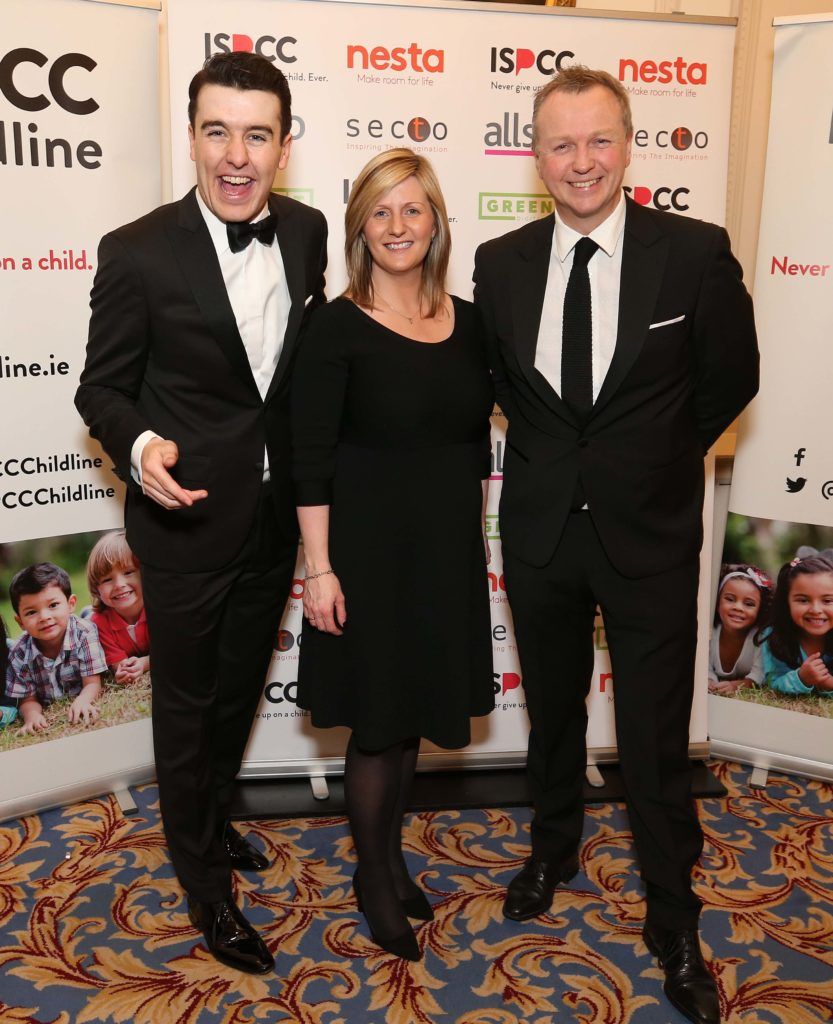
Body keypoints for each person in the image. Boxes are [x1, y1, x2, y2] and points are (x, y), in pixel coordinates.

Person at [473, 66, 759, 1024]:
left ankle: (671, 913)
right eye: (560, 144)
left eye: (598, 140)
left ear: (629, 143)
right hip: (544, 530)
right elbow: (502, 390)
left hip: (649, 532)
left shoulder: (693, 252)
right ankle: (551, 845)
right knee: (551, 709)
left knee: (650, 733)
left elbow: (731, 375)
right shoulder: (498, 261)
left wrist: (653, 459)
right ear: (535, 156)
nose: (580, 161)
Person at [75, 51, 328, 974]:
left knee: (231, 696)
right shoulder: (137, 250)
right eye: (216, 131)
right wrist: (142, 452)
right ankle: (204, 889)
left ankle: (212, 821)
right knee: (185, 708)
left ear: (283, 144)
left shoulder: (305, 235)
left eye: (256, 134)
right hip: (181, 524)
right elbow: (101, 391)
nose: (235, 155)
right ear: (191, 136)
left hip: (268, 525)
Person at [292, 148, 494, 962]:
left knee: (410, 714)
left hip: (443, 552)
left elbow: (474, 443)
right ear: (359, 227)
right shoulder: (334, 326)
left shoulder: (470, 321)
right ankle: (373, 879)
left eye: (412, 209)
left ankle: (390, 857)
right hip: (365, 555)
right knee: (377, 724)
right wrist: (319, 567)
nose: (397, 226)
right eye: (380, 211)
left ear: (436, 219)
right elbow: (309, 456)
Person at [6, 563, 107, 735]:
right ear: (20, 622)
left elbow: (92, 683)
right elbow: (27, 699)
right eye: (31, 612)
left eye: (53, 605)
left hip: (80, 685)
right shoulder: (19, 652)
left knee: (90, 617)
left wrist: (83, 700)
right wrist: (32, 715)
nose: (45, 617)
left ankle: (87, 611)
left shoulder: (84, 633)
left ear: (70, 604)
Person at [760, 555, 833, 696]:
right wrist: (801, 678)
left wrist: (829, 685)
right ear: (786, 602)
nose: (816, 610)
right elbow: (773, 683)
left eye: (827, 600)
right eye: (803, 600)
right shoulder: (774, 637)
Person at [87, 530, 150, 682]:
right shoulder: (97, 624)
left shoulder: (161, 608)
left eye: (128, 572)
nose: (119, 585)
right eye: (107, 580)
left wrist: (145, 663)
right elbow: (120, 665)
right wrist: (125, 670)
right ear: (97, 588)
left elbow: (173, 650)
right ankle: (85, 612)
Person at [708, 564, 772, 696]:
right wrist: (710, 681)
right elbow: (704, 666)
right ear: (717, 602)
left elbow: (759, 674)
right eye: (730, 599)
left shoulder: (761, 638)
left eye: (749, 604)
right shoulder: (709, 632)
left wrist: (735, 685)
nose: (738, 607)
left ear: (760, 610)